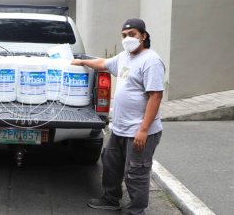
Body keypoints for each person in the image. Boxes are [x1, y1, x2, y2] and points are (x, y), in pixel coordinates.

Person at [71, 18, 165, 215]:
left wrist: (143, 130)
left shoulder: (151, 61)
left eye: (132, 35)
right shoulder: (125, 57)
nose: (127, 38)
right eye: (124, 35)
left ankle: (136, 211)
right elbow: (103, 63)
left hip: (139, 130)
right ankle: (111, 199)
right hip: (120, 127)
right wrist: (81, 61)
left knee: (136, 172)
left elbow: (155, 97)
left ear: (143, 36)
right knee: (111, 163)